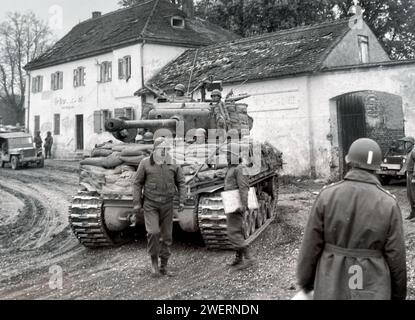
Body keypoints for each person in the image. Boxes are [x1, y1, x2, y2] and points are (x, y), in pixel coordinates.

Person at [296, 138, 407, 300]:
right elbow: (396, 257)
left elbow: (310, 246)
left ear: (350, 162)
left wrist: (305, 281)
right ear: (376, 167)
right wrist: (398, 295)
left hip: (331, 284)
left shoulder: (327, 196)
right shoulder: (388, 203)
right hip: (373, 286)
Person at [132, 137, 186, 277]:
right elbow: (137, 183)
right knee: (153, 232)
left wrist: (182, 200)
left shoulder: (173, 163)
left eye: (167, 149)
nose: (164, 151)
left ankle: (164, 266)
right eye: (162, 149)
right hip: (151, 204)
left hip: (167, 205)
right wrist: (137, 203)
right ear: (155, 150)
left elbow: (181, 182)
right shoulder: (145, 164)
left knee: (167, 236)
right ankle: (154, 263)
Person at [224, 143, 254, 271]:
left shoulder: (240, 168)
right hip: (231, 203)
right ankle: (239, 258)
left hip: (236, 204)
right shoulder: (232, 168)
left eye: (229, 154)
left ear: (235, 155)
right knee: (237, 230)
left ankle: (248, 259)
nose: (227, 156)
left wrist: (243, 205)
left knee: (233, 232)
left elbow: (244, 188)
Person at [404, 136, 415, 220]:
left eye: (407, 143)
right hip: (408, 174)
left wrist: (414, 176)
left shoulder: (414, 151)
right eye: (405, 143)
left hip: (413, 175)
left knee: (414, 195)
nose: (406, 144)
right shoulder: (408, 152)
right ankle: (413, 213)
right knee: (409, 195)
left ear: (411, 143)